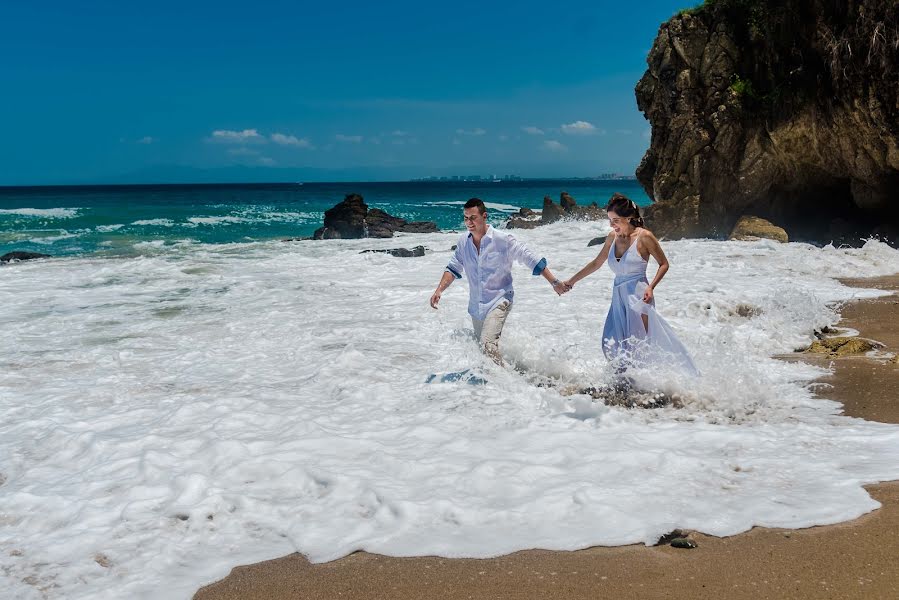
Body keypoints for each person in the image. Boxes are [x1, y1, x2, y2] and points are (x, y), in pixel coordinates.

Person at [562, 194, 697, 375]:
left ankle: (643, 389)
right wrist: (571, 281)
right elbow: (597, 263)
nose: (612, 225)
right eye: (610, 220)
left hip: (638, 296)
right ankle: (624, 385)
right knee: (610, 344)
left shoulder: (645, 237)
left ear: (629, 218)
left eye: (616, 220)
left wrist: (651, 287)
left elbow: (664, 264)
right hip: (618, 297)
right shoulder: (612, 237)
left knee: (638, 347)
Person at [430, 198, 566, 364]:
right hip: (476, 306)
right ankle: (505, 378)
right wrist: (439, 290)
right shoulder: (463, 243)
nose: (469, 222)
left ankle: (508, 381)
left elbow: (530, 258)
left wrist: (554, 282)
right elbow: (452, 268)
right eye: (466, 218)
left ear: (484, 216)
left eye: (473, 217)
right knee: (483, 351)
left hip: (500, 300)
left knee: (488, 346)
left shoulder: (502, 240)